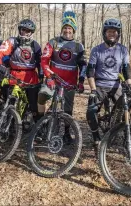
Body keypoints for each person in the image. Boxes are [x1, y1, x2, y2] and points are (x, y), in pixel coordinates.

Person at [38, 11, 87, 143]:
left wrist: (81, 81)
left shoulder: (79, 46)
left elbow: (83, 65)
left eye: (70, 28)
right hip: (53, 79)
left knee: (67, 110)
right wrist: (48, 76)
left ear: (74, 30)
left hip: (69, 83)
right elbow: (44, 60)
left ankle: (66, 133)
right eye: (65, 28)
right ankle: (40, 124)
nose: (67, 30)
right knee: (42, 95)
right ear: (62, 29)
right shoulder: (53, 42)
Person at [86, 18, 131, 156]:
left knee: (126, 109)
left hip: (116, 84)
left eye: (115, 32)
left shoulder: (122, 50)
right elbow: (90, 70)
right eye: (109, 31)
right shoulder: (97, 50)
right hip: (100, 84)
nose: (112, 34)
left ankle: (125, 136)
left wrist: (129, 84)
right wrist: (93, 90)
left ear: (118, 34)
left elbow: (126, 69)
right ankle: (96, 138)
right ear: (104, 33)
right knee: (91, 110)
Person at [0, 19, 42, 123]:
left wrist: (42, 75)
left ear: (31, 33)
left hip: (30, 78)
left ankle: (38, 126)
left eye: (28, 31)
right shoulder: (11, 41)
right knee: (8, 100)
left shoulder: (35, 45)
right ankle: (9, 122)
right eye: (22, 30)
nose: (25, 33)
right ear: (19, 30)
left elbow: (41, 62)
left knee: (34, 104)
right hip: (13, 75)